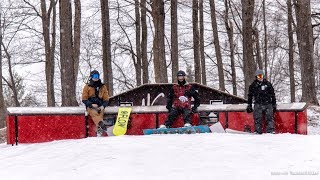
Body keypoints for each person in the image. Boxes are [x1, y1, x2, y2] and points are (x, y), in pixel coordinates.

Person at [246, 69, 277, 134]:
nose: (260, 78)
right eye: (259, 76)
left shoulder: (268, 84)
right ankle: (258, 131)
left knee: (269, 118)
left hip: (268, 104)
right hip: (258, 104)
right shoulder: (253, 85)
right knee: (257, 119)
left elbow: (273, 95)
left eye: (261, 76)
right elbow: (250, 96)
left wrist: (274, 104)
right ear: (256, 77)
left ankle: (270, 131)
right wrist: (249, 105)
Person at [82, 70, 109, 134]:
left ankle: (99, 130)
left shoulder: (103, 87)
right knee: (94, 112)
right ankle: (101, 124)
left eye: (97, 76)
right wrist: (91, 105)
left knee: (100, 114)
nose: (96, 77)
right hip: (90, 106)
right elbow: (84, 99)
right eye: (95, 76)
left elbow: (106, 99)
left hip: (100, 105)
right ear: (91, 77)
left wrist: (103, 106)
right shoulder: (87, 87)